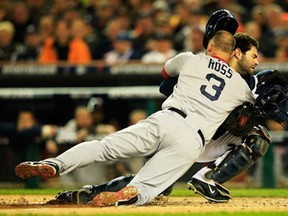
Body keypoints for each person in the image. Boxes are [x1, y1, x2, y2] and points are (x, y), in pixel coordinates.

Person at [15, 9, 254, 206]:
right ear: (234, 52)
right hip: (193, 139)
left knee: (103, 147)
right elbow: (254, 110)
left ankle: (55, 163)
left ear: (210, 46)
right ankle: (124, 195)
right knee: (147, 187)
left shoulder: (190, 58)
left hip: (166, 119)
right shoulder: (240, 88)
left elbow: (165, 75)